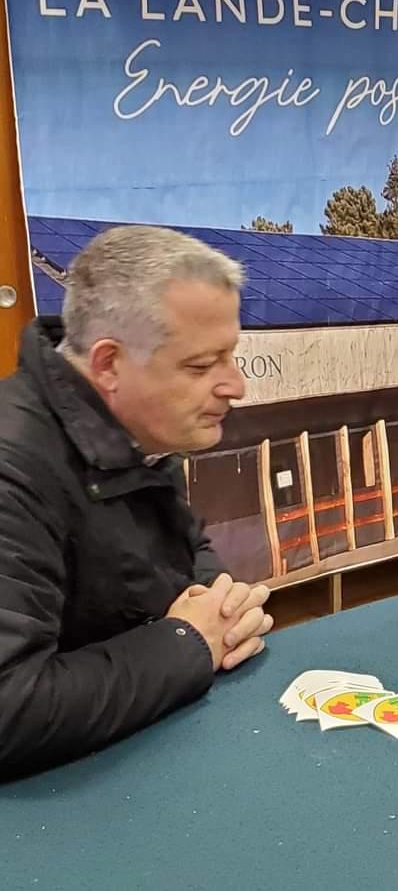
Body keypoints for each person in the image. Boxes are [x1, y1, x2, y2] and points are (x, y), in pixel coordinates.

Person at [0, 225, 272, 780]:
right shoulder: (13, 467)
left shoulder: (134, 432)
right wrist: (190, 642)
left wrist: (224, 612)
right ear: (108, 365)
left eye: (231, 356)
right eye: (201, 367)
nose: (236, 386)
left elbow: (185, 552)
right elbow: (8, 709)